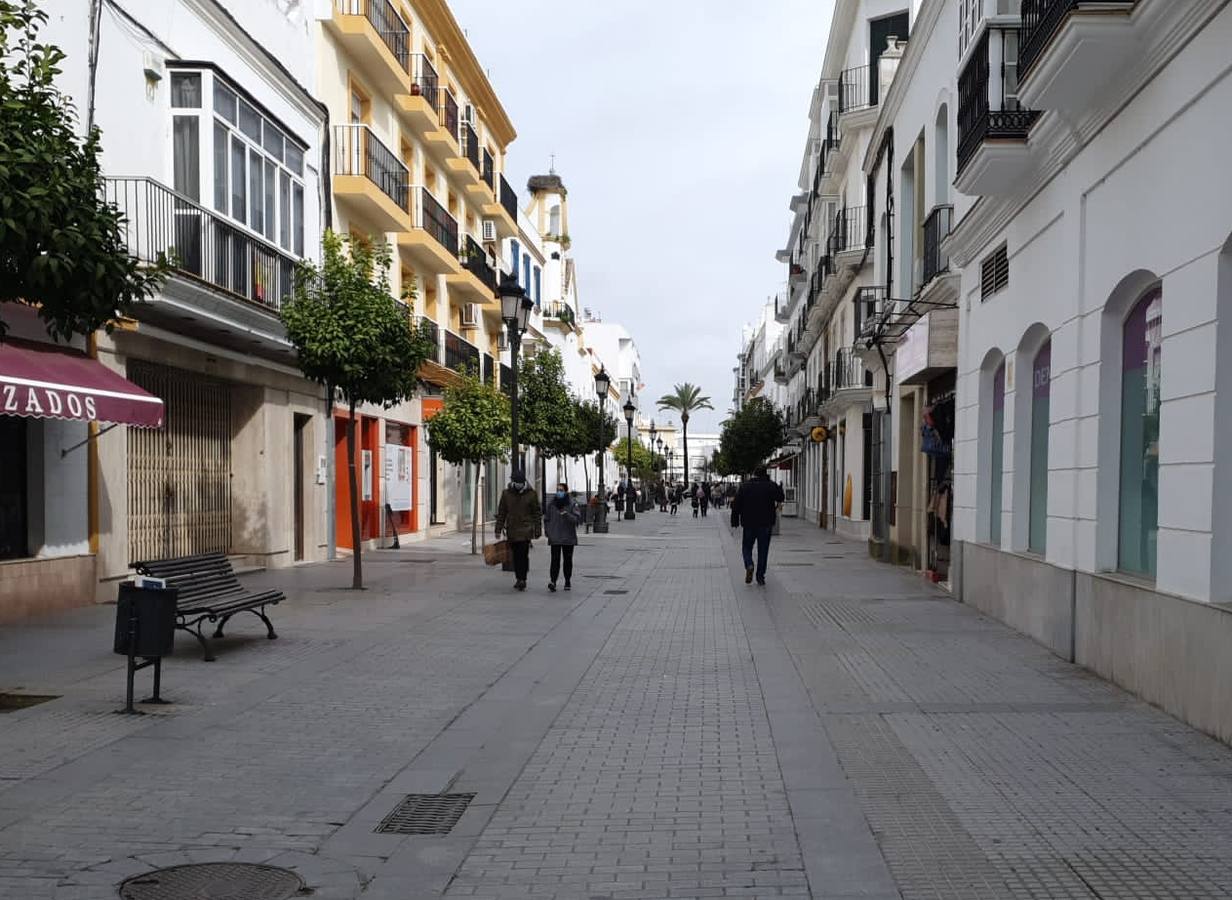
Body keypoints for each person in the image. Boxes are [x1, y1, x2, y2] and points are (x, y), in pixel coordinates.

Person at [731, 465, 785, 587]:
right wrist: (779, 487)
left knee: (746, 547)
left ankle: (749, 564)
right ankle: (760, 577)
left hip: (749, 523)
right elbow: (780, 497)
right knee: (763, 550)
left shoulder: (745, 486)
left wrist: (734, 520)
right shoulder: (770, 485)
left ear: (754, 474)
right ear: (765, 473)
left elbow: (736, 504)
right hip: (765, 524)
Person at [495, 467, 541, 591]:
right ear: (513, 482)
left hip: (526, 530)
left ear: (524, 482)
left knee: (523, 554)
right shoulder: (506, 494)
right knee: (516, 556)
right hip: (512, 530)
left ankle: (522, 579)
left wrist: (538, 529)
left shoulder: (531, 494)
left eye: (520, 482)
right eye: (516, 481)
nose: (518, 484)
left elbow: (537, 513)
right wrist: (498, 529)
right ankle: (518, 577)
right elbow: (502, 512)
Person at [543, 481, 580, 592]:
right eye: (558, 490)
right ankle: (553, 581)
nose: (559, 492)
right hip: (555, 537)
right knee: (555, 560)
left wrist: (566, 514)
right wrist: (548, 531)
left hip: (568, 537)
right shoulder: (552, 504)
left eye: (561, 490)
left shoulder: (572, 504)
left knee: (567, 560)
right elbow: (546, 519)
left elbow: (576, 520)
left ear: (565, 491)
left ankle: (567, 580)